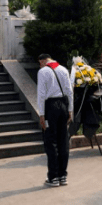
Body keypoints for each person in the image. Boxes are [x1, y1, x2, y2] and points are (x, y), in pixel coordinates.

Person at [37, 53, 74, 187]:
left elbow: (41, 94)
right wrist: (70, 110)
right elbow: (70, 91)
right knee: (63, 140)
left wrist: (41, 114)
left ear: (42, 61)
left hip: (50, 107)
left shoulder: (43, 72)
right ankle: (63, 175)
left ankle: (53, 177)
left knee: (51, 141)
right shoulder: (64, 69)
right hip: (63, 106)